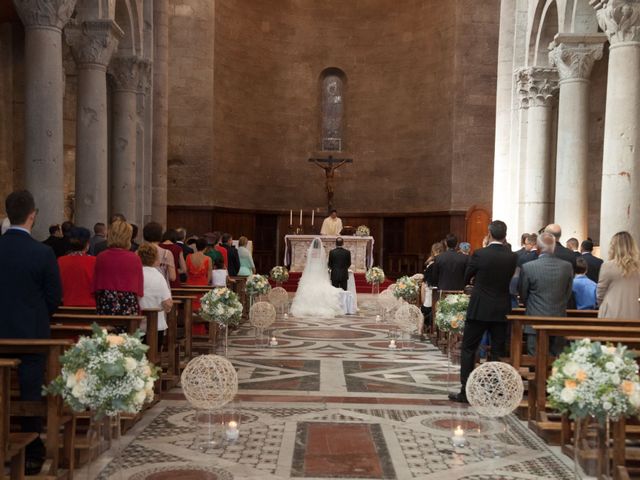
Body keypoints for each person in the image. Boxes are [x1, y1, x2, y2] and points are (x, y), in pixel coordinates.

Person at [0, 190, 62, 474]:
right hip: (31, 333)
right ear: (32, 215)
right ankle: (33, 450)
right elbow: (54, 297)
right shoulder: (42, 252)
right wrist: (38, 317)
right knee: (30, 388)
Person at [450, 220, 517, 403]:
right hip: (501, 308)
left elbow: (466, 277)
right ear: (505, 234)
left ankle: (466, 391)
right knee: (497, 351)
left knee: (469, 348)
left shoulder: (480, 254)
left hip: (479, 308)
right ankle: (495, 390)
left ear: (489, 233)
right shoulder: (512, 257)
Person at [519, 232, 574, 355]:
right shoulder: (567, 266)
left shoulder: (528, 267)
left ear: (538, 248)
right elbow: (568, 292)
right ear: (554, 248)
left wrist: (531, 305)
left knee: (535, 358)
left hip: (534, 317)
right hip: (558, 317)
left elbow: (523, 293)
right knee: (557, 361)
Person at [93, 220, 143, 315]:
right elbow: (139, 289)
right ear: (127, 237)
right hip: (128, 304)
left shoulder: (101, 257)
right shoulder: (134, 258)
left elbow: (96, 286)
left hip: (105, 303)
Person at [291, 237, 344, 318]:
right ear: (320, 245)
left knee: (307, 287)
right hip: (319, 271)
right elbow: (325, 264)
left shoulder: (309, 251)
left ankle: (306, 305)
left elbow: (307, 263)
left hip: (310, 271)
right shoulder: (322, 253)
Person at [597, 231, 640, 319]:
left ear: (614, 247)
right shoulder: (638, 266)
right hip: (634, 312)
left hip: (611, 312)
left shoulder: (608, 266)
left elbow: (600, 294)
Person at [137, 243, 173, 349]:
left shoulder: (135, 273)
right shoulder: (158, 276)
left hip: (137, 323)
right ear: (155, 258)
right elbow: (167, 303)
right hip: (156, 324)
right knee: (154, 357)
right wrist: (167, 309)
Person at [58, 227, 96, 307]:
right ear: (87, 244)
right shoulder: (95, 261)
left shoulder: (60, 261)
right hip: (90, 308)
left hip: (66, 307)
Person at [421, 242, 444, 339]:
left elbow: (426, 281)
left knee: (427, 306)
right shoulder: (442, 262)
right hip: (440, 291)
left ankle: (429, 326)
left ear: (434, 251)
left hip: (431, 293)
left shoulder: (431, 264)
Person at [143, 222, 176, 286]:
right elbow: (172, 277)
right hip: (161, 288)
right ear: (160, 235)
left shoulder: (138, 252)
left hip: (144, 287)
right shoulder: (166, 253)